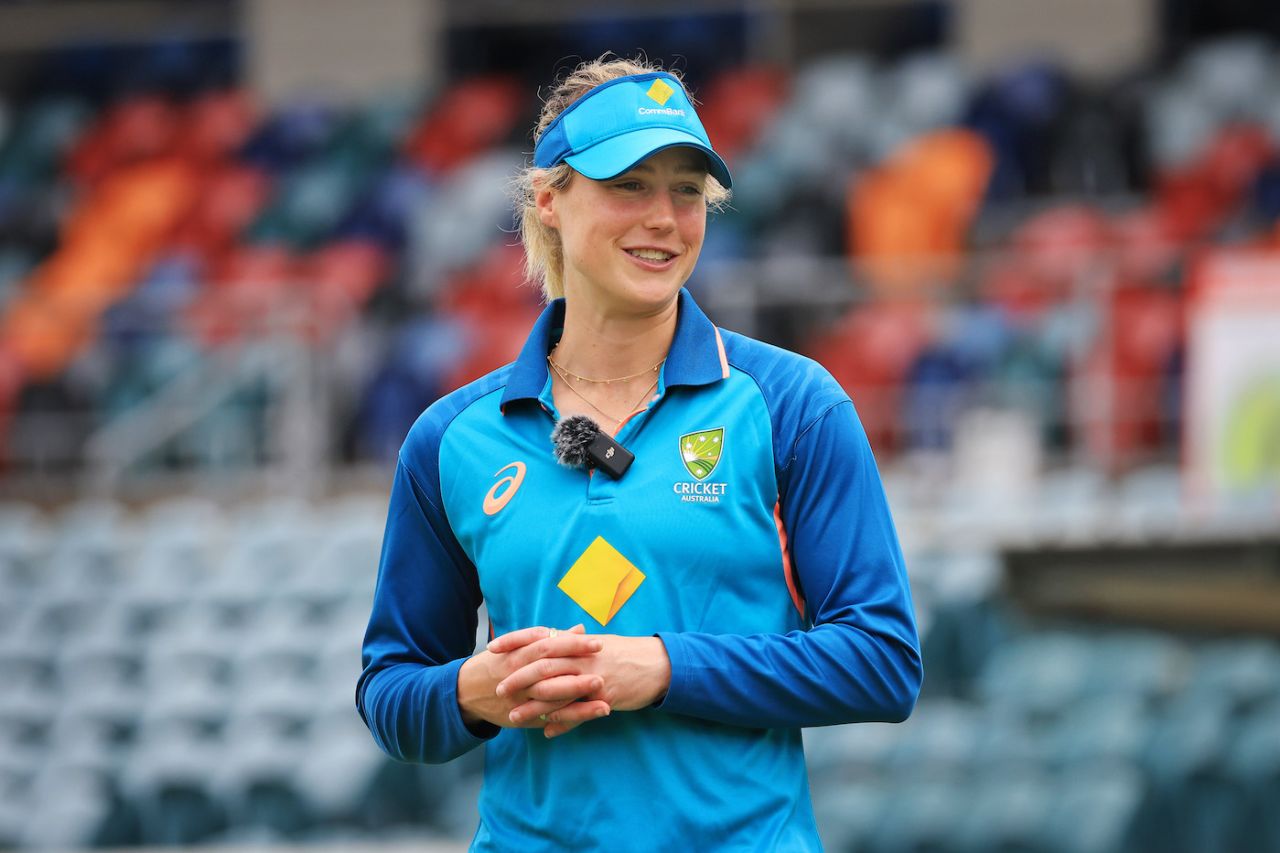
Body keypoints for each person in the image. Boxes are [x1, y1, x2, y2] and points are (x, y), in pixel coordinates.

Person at [357, 55, 922, 852]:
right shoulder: (451, 438)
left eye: (687, 191)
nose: (664, 218)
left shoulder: (793, 403)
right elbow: (390, 691)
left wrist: (661, 669)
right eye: (629, 185)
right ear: (549, 200)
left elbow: (882, 661)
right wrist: (474, 689)